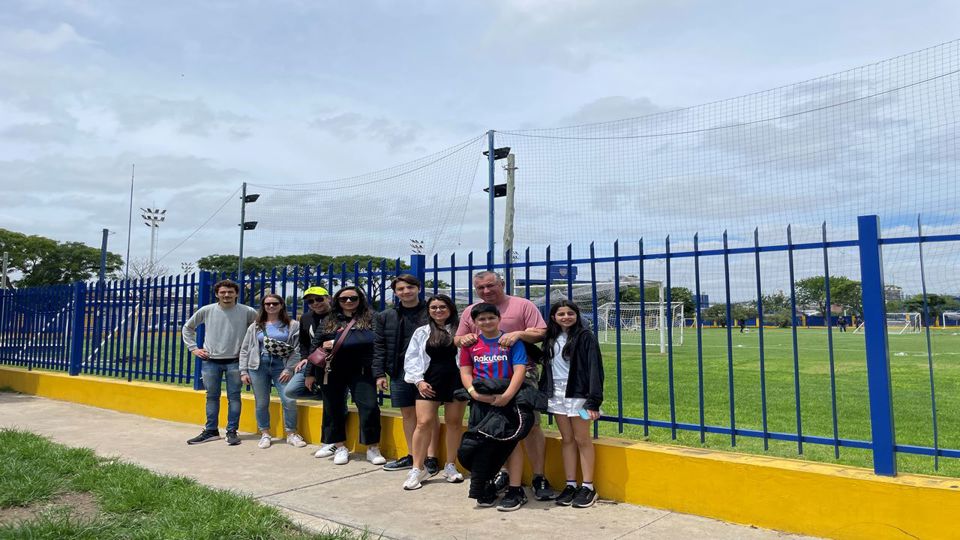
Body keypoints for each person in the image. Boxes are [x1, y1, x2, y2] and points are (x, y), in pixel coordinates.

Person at [454, 271, 554, 500]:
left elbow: (542, 333)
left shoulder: (523, 305)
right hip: (486, 378)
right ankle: (505, 473)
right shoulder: (471, 311)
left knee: (529, 426)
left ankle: (539, 475)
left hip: (521, 374)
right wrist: (464, 340)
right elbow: (459, 340)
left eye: (491, 285)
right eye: (480, 288)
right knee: (493, 429)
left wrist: (519, 333)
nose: (486, 291)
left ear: (502, 283)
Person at [459, 303, 529, 511]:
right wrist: (474, 393)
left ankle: (516, 489)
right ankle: (487, 484)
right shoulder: (470, 344)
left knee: (511, 444)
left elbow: (519, 370)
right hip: (481, 400)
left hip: (508, 401)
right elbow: (465, 371)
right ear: (475, 322)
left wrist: (507, 396)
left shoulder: (510, 341)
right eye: (481, 319)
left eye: (491, 317)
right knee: (483, 445)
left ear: (499, 318)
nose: (486, 322)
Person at [308, 286, 385, 465]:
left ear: (360, 299)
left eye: (353, 298)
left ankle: (372, 447)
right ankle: (339, 446)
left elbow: (372, 339)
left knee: (370, 407)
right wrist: (309, 373)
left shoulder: (371, 318)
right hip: (331, 370)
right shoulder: (329, 319)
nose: (348, 302)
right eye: (344, 299)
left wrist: (339, 342)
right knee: (332, 408)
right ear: (337, 301)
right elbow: (315, 347)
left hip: (361, 370)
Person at [539, 300, 604, 508]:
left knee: (582, 439)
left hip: (579, 395)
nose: (566, 317)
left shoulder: (585, 337)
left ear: (576, 315)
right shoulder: (550, 338)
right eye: (561, 314)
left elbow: (595, 368)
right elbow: (543, 361)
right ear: (553, 317)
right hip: (557, 395)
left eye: (570, 313)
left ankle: (588, 486)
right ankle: (570, 483)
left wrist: (593, 401)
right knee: (566, 439)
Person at [372, 275, 439, 474]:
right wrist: (379, 373)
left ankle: (432, 457)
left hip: (428, 371)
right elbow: (379, 346)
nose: (406, 291)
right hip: (399, 371)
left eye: (410, 287)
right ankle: (413, 455)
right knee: (408, 414)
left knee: (429, 415)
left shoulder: (431, 312)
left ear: (418, 288)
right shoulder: (386, 316)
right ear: (395, 292)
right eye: (401, 289)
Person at [401, 294, 466, 490]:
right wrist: (418, 381)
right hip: (429, 381)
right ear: (428, 311)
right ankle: (417, 468)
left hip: (456, 381)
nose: (438, 311)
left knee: (454, 423)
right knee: (424, 423)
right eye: (434, 307)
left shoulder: (460, 330)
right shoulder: (422, 332)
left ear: (451, 309)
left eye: (442, 307)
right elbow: (412, 358)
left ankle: (450, 465)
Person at [182, 279, 257, 445]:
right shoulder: (207, 310)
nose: (227, 295)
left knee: (234, 397)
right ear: (217, 294)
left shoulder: (247, 311)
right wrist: (193, 348)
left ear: (236, 294)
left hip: (236, 361)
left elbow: (259, 330)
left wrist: (250, 351)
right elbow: (188, 328)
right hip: (211, 361)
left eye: (230, 292)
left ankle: (232, 431)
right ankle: (211, 431)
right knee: (212, 397)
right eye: (223, 292)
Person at [239, 293, 308, 449]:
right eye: (267, 304)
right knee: (262, 402)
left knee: (289, 399)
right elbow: (245, 349)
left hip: (281, 366)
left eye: (274, 303)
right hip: (258, 365)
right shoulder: (256, 326)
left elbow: (297, 349)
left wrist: (289, 369)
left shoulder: (292, 325)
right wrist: (243, 371)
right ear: (263, 306)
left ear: (281, 305)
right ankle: (265, 433)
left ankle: (291, 433)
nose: (271, 306)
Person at [284, 286, 344, 458]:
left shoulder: (338, 316)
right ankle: (327, 398)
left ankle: (332, 442)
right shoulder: (307, 317)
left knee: (334, 405)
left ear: (328, 298)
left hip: (336, 365)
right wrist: (304, 358)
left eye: (319, 299)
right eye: (310, 301)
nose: (315, 303)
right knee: (292, 390)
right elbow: (304, 342)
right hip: (313, 363)